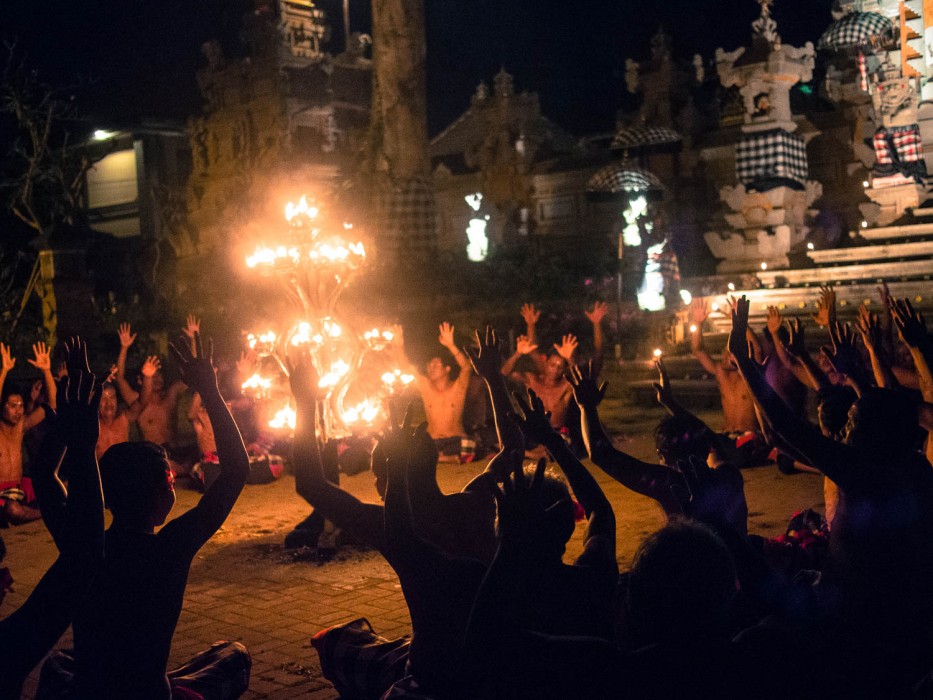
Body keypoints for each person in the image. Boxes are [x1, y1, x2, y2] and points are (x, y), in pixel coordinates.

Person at [729, 294, 933, 694]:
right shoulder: (914, 468)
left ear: (873, 437)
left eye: (851, 425)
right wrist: (858, 371)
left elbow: (788, 429)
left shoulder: (870, 477)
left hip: (862, 623)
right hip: (900, 613)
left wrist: (743, 361)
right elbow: (884, 408)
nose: (842, 432)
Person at [40, 330, 252, 700]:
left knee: (59, 663)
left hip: (88, 691)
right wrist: (211, 391)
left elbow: (44, 476)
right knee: (235, 657)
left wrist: (75, 421)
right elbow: (235, 473)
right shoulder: (167, 550)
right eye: (169, 479)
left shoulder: (84, 547)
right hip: (147, 693)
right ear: (162, 497)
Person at [1, 339, 104, 699]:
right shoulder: (6, 649)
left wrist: (67, 424)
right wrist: (81, 441)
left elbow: (45, 476)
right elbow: (87, 558)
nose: (8, 577)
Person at [688, 298, 767, 466]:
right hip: (726, 435)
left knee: (741, 452)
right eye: (726, 352)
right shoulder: (720, 372)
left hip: (748, 436)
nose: (726, 355)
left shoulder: (750, 373)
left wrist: (740, 323)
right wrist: (697, 323)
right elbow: (698, 350)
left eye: (731, 352)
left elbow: (758, 349)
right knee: (697, 443)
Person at [394, 322, 475, 463]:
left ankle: (439, 457)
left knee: (470, 445)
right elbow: (406, 368)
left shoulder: (458, 387)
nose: (431, 368)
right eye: (429, 365)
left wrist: (451, 345)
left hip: (456, 439)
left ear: (447, 369)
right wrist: (399, 346)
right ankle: (446, 458)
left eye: (436, 365)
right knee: (414, 448)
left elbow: (467, 367)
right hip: (433, 440)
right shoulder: (426, 386)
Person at [114, 321, 190, 468]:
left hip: (175, 452)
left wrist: (193, 340)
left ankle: (183, 469)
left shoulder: (171, 395)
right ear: (141, 379)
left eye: (159, 375)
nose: (157, 379)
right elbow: (119, 378)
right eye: (151, 375)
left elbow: (193, 378)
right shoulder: (136, 400)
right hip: (154, 456)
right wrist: (124, 348)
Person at [0, 341, 57, 525]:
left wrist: (47, 371)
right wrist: (3, 372)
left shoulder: (21, 426)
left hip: (19, 489)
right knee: (13, 509)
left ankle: (32, 512)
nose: (18, 410)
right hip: (2, 496)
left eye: (20, 405)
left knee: (61, 486)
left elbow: (52, 404)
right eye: (12, 406)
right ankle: (43, 513)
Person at [97, 355, 157, 460]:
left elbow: (143, 403)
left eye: (112, 397)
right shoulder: (90, 424)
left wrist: (147, 378)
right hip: (101, 474)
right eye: (103, 398)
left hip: (124, 472)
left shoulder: (124, 418)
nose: (108, 403)